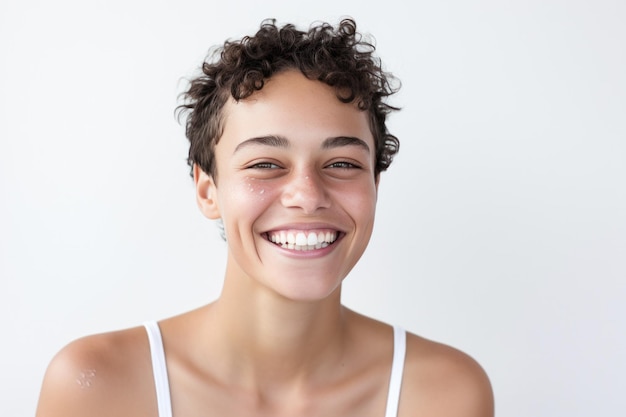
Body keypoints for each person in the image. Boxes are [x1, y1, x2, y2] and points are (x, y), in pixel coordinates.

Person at [35, 18, 494, 417]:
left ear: (375, 186)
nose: (307, 196)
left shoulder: (445, 393)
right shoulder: (96, 385)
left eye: (342, 164)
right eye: (265, 164)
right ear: (207, 189)